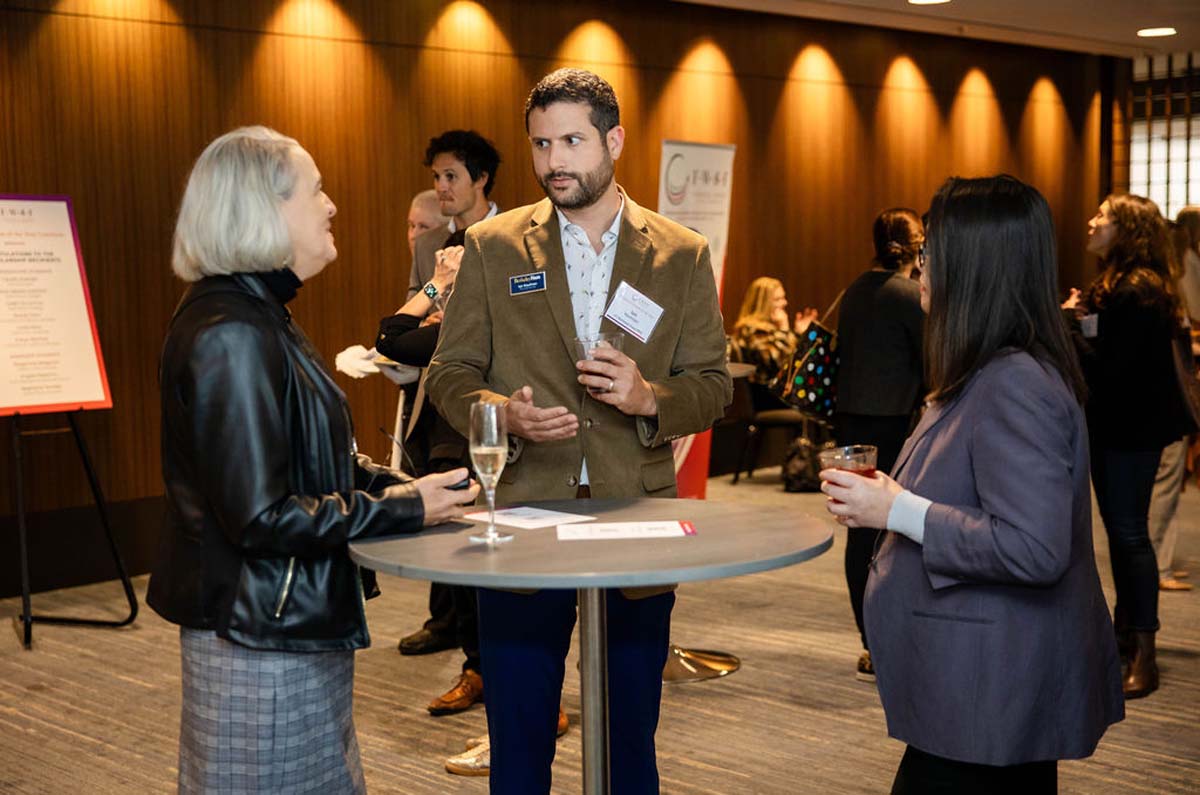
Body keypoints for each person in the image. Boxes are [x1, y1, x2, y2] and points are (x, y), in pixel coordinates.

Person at [426, 68, 732, 794]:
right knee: (521, 745)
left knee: (631, 745)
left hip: (637, 520)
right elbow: (449, 373)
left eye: (571, 141)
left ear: (614, 140)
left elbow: (713, 385)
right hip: (525, 518)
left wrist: (648, 395)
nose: (554, 161)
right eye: (541, 144)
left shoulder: (680, 252)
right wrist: (503, 410)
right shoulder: (493, 246)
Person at [146, 126, 479, 794]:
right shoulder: (233, 332)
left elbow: (313, 458)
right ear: (263, 210)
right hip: (260, 642)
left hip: (282, 626)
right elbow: (262, 517)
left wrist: (416, 491)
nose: (331, 206)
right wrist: (406, 506)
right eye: (316, 189)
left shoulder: (257, 311)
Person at [821, 175, 1123, 793]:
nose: (921, 266)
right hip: (978, 695)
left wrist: (900, 510)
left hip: (991, 694)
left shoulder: (1014, 382)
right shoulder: (988, 368)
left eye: (933, 252)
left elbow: (1034, 547)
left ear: (976, 266)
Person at [391, 131, 503, 726]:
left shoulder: (517, 239)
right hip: (435, 408)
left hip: (496, 409)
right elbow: (403, 328)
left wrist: (436, 323)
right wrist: (436, 297)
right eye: (436, 177)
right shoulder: (434, 245)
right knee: (456, 543)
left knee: (500, 547)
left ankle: (505, 675)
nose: (441, 188)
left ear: (481, 179)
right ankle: (475, 664)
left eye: (452, 176)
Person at [1065, 193, 1193, 698]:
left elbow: (1110, 370)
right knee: (1121, 536)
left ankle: (1145, 652)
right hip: (1116, 427)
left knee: (1130, 536)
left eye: (1104, 216)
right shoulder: (1117, 284)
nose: (1092, 221)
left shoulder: (1138, 290)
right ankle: (1123, 638)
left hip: (1131, 429)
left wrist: (1072, 326)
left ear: (1128, 230)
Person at [832, 208, 925, 683]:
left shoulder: (855, 291)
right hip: (896, 426)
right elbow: (933, 364)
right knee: (899, 526)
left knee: (859, 529)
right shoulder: (911, 295)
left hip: (851, 422)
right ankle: (897, 640)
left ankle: (870, 642)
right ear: (916, 246)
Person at [1147, 206, 1200, 593]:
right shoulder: (1172, 274)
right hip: (1171, 392)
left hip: (1163, 392)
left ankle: (1159, 562)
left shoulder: (1161, 276)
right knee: (1166, 479)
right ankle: (1156, 565)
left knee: (1166, 479)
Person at [732, 276, 816, 411]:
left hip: (780, 395)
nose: (785, 303)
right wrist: (784, 330)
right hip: (768, 399)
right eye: (778, 299)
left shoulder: (771, 331)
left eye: (783, 297)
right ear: (762, 303)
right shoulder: (751, 330)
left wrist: (798, 334)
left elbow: (795, 361)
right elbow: (781, 365)